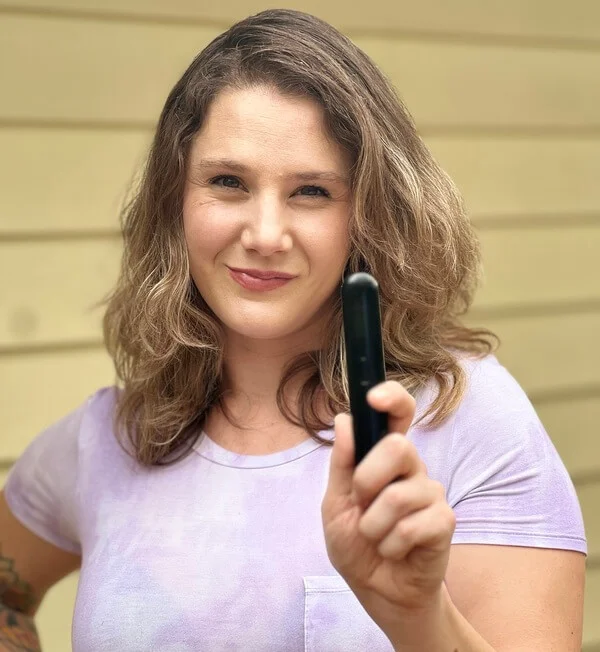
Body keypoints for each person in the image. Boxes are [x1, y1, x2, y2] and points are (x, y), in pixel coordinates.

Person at [0, 8, 586, 652]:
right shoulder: (110, 439)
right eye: (228, 182)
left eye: (311, 191)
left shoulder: (468, 421)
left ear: (371, 214)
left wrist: (417, 617)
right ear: (175, 201)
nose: (265, 235)